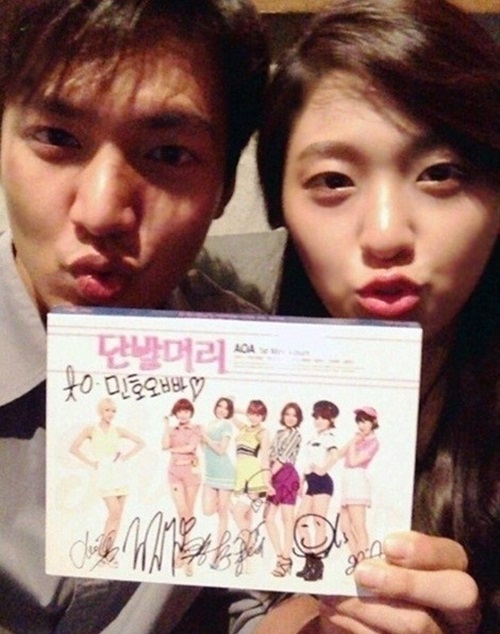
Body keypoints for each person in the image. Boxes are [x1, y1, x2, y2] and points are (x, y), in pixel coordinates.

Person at [0, 1, 274, 632]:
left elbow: (249, 602)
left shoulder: (252, 370)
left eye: (169, 153)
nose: (101, 213)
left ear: (225, 188)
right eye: (57, 138)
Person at [257, 0, 499, 631]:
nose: (387, 234)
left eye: (441, 173)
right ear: (279, 203)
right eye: (334, 181)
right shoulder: (247, 394)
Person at [70, 397, 145, 565]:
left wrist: (125, 457)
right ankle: (103, 550)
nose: (110, 414)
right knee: (114, 512)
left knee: (117, 516)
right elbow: (73, 448)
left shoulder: (118, 430)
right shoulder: (90, 430)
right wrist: (91, 462)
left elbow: (141, 443)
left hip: (119, 472)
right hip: (104, 473)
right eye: (107, 410)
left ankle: (107, 552)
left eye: (113, 411)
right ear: (100, 411)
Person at [294, 400, 340, 583]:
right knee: (300, 521)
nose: (319, 421)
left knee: (319, 522)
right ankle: (310, 561)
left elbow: (335, 455)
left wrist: (323, 469)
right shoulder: (313, 438)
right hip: (310, 483)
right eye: (317, 417)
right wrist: (301, 482)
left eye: (324, 418)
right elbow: (306, 463)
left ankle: (318, 564)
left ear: (331, 420)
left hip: (322, 483)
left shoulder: (329, 437)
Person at [162, 398, 203, 577]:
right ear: (175, 413)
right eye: (179, 411)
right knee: (182, 512)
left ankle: (185, 553)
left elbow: (190, 447)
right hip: (174, 473)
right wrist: (166, 427)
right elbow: (164, 444)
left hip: (191, 473)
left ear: (191, 413)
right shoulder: (172, 430)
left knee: (188, 513)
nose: (183, 414)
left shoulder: (196, 429)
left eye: (186, 411)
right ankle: (186, 552)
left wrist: (171, 451)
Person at [265, 402, 303, 578]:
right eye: (287, 414)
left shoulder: (296, 435)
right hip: (274, 475)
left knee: (287, 519)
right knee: (268, 518)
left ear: (298, 418)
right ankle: (281, 556)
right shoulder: (279, 433)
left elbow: (282, 457)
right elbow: (271, 454)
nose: (290, 418)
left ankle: (285, 559)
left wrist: (268, 476)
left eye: (294, 415)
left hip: (287, 476)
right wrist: (268, 475)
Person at [340, 406, 380, 563]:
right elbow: (339, 454)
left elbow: (353, 461)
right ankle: (358, 560)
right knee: (344, 527)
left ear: (373, 422)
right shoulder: (357, 439)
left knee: (358, 526)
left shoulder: (373, 442)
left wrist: (353, 443)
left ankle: (363, 563)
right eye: (359, 422)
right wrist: (353, 441)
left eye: (365, 421)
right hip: (347, 482)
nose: (361, 425)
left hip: (357, 482)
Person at [201, 397, 237, 568]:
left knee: (222, 514)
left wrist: (205, 438)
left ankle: (217, 555)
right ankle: (231, 506)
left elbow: (222, 450)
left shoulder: (226, 425)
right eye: (219, 406)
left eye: (226, 407)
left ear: (229, 411)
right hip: (210, 474)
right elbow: (204, 449)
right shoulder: (209, 424)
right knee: (207, 510)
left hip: (224, 473)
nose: (222, 409)